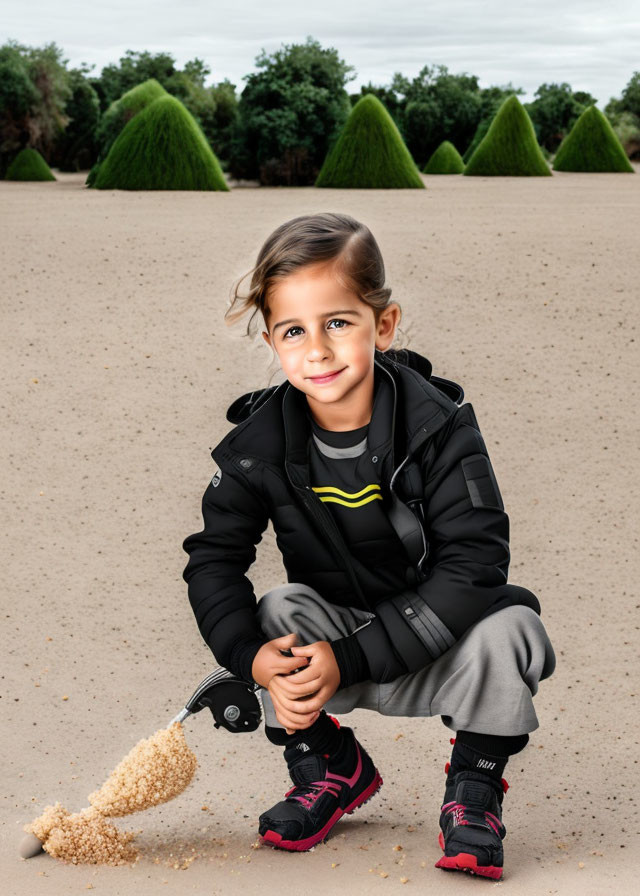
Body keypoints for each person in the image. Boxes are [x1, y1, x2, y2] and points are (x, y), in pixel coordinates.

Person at [182, 212, 556, 880]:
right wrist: (252, 659)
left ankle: (474, 787)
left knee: (513, 629)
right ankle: (328, 765)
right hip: (336, 637)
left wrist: (349, 655)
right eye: (294, 330)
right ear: (271, 339)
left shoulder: (439, 427)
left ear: (382, 325)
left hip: (438, 640)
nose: (317, 350)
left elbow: (476, 564)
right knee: (277, 612)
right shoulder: (255, 447)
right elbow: (214, 559)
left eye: (339, 322)